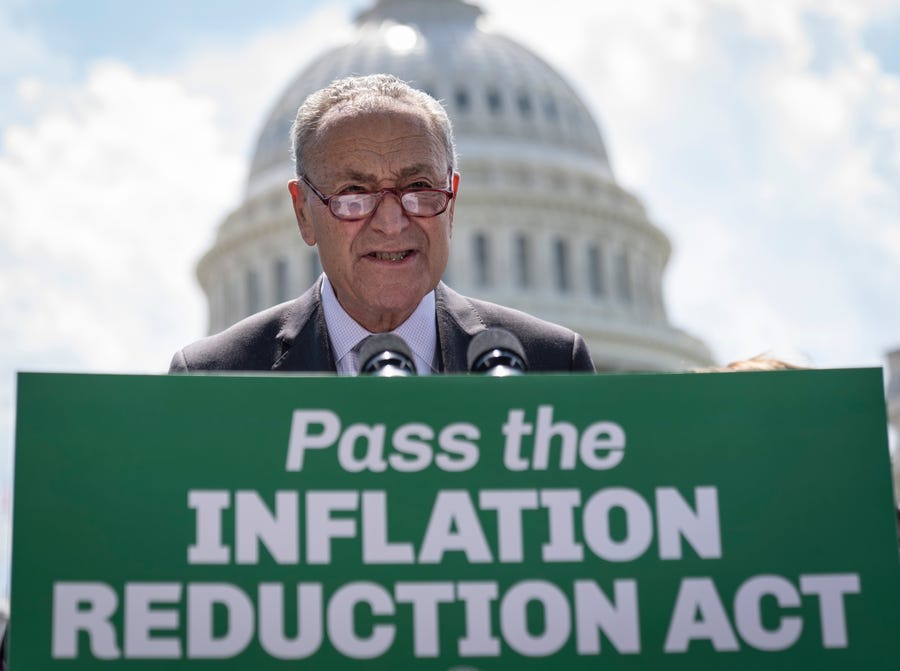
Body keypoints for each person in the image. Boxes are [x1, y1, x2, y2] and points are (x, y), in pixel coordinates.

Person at [170, 74, 594, 374]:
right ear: (304, 213)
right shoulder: (216, 376)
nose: (392, 223)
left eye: (419, 187)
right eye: (354, 194)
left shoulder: (549, 364)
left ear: (452, 203)